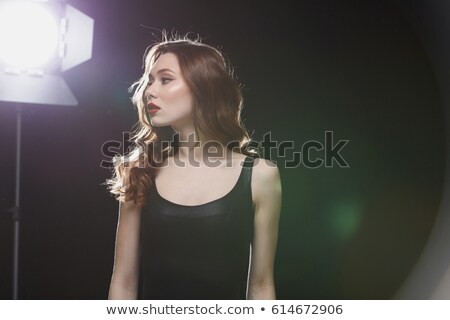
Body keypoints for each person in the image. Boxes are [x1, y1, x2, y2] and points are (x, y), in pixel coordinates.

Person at [107, 35, 281, 300]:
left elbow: (261, 285)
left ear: (203, 87)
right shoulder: (140, 170)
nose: (149, 91)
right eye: (150, 80)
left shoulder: (260, 175)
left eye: (165, 79)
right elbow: (124, 282)